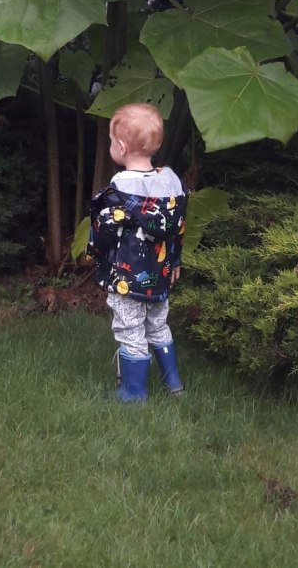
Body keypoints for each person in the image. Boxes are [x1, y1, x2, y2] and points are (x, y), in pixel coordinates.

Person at [88, 102, 188, 403]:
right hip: (161, 274)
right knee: (157, 325)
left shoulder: (119, 191)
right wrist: (175, 261)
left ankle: (133, 394)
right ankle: (174, 384)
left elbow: (104, 233)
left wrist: (94, 251)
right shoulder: (172, 185)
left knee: (130, 329)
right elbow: (178, 228)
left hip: (127, 277)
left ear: (120, 147)